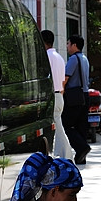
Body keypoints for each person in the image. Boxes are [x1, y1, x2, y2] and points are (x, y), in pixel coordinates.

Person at [41, 30, 73, 160]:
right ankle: (60, 155)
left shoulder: (47, 57)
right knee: (57, 128)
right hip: (59, 95)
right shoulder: (59, 57)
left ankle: (67, 155)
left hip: (52, 96)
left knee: (58, 129)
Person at [62, 34, 91, 165]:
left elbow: (66, 78)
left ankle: (82, 148)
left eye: (68, 44)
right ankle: (81, 157)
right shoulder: (84, 58)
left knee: (66, 125)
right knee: (81, 126)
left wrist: (60, 91)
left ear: (74, 45)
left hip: (74, 96)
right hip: (85, 95)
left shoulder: (73, 59)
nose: (67, 46)